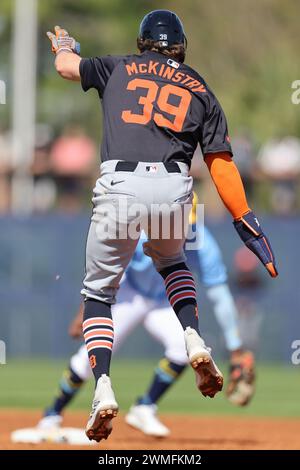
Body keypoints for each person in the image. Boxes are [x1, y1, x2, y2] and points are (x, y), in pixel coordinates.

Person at [47, 10, 277, 442]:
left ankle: (102, 388)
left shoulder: (117, 66)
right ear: (181, 46)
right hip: (173, 188)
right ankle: (192, 334)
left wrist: (65, 46)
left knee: (98, 294)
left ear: (142, 43)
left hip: (119, 182)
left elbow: (64, 67)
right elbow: (220, 163)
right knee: (173, 264)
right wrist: (244, 217)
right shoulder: (200, 87)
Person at [38, 218, 254, 437]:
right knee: (88, 359)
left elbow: (220, 295)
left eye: (184, 222)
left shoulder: (202, 242)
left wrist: (235, 347)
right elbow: (108, 272)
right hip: (128, 293)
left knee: (185, 348)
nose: (178, 228)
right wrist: (84, 311)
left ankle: (145, 407)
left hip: (163, 301)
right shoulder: (139, 231)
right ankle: (51, 415)